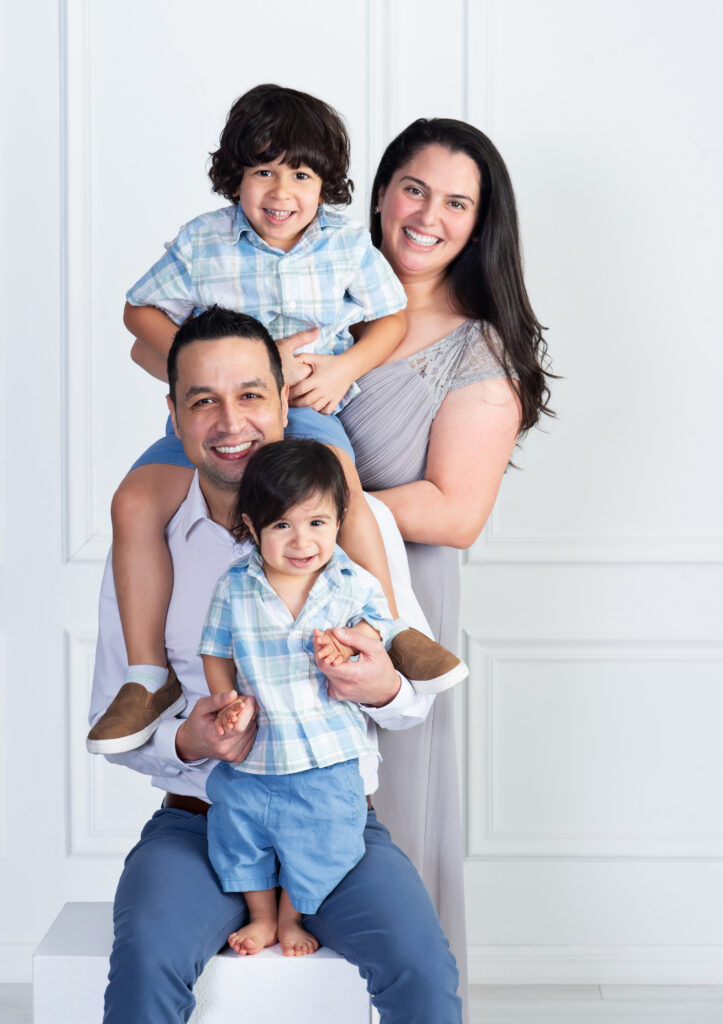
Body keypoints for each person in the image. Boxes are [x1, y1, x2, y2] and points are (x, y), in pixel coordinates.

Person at [88, 306, 463, 1023]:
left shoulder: (355, 524)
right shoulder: (150, 539)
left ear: (285, 400)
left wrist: (379, 684)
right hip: (199, 822)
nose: (231, 423)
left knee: (421, 970)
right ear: (174, 414)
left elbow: (412, 697)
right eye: (204, 400)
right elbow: (117, 717)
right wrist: (190, 740)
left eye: (251, 395)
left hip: (334, 821)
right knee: (145, 963)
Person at [89, 85, 462, 754]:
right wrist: (207, 367)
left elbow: (390, 318)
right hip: (215, 418)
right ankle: (147, 678)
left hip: (301, 414)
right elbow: (136, 314)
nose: (280, 190)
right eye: (262, 171)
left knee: (340, 488)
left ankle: (395, 629)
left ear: (326, 184)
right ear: (235, 178)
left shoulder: (343, 248)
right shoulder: (204, 241)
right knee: (133, 501)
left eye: (300, 173)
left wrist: (344, 370)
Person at [318, 117, 553, 1016]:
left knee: (392, 822)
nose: (429, 215)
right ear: (380, 193)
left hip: (397, 600)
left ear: (479, 223)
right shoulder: (321, 298)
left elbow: (456, 513)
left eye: (457, 202)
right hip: (282, 589)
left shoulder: (476, 348)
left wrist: (314, 506)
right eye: (414, 188)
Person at [200, 439, 401, 957]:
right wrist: (226, 700)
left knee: (321, 841)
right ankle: (262, 916)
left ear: (338, 521)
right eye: (281, 525)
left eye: (316, 523)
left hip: (324, 755)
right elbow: (215, 648)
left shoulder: (351, 584)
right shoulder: (236, 587)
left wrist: (352, 649)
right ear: (252, 525)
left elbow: (380, 633)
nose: (301, 540)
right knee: (238, 834)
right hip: (255, 755)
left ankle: (292, 916)